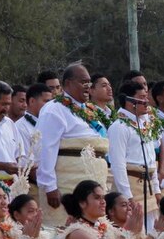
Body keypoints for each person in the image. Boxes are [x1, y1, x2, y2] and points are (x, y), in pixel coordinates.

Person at [36, 64, 109, 227]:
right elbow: (46, 149)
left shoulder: (90, 110)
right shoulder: (54, 109)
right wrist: (50, 187)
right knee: (64, 230)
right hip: (66, 183)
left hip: (93, 182)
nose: (88, 87)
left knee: (94, 231)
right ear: (68, 83)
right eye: (83, 82)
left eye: (89, 82)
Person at [108, 81, 161, 224]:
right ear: (130, 101)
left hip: (148, 187)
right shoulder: (119, 127)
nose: (147, 102)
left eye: (146, 98)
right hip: (131, 185)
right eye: (142, 98)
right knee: (134, 232)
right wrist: (127, 196)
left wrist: (157, 190)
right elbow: (118, 165)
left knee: (151, 233)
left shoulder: (145, 124)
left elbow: (151, 160)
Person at [15, 83, 53, 165]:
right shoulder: (20, 127)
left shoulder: (51, 123)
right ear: (32, 101)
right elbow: (25, 162)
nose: (50, 105)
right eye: (46, 101)